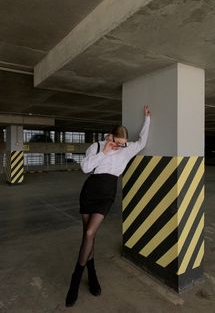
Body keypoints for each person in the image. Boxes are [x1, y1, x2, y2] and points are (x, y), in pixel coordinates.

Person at [65, 105, 151, 307]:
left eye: (123, 144)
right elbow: (85, 168)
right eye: (117, 142)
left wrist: (147, 119)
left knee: (89, 234)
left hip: (107, 196)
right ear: (110, 137)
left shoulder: (126, 149)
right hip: (89, 192)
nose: (120, 147)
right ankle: (92, 274)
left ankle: (75, 280)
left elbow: (142, 141)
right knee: (89, 235)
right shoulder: (96, 147)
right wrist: (104, 151)